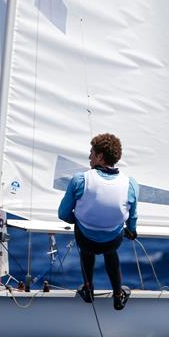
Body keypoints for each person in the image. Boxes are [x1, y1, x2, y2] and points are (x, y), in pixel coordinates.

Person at [58, 133, 138, 310]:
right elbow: (132, 218)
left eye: (92, 153)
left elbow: (63, 214)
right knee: (111, 251)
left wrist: (76, 219)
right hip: (112, 241)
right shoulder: (130, 184)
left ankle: (88, 289)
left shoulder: (80, 180)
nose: (89, 157)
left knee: (87, 250)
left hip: (86, 240)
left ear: (100, 156)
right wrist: (131, 230)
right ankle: (118, 295)